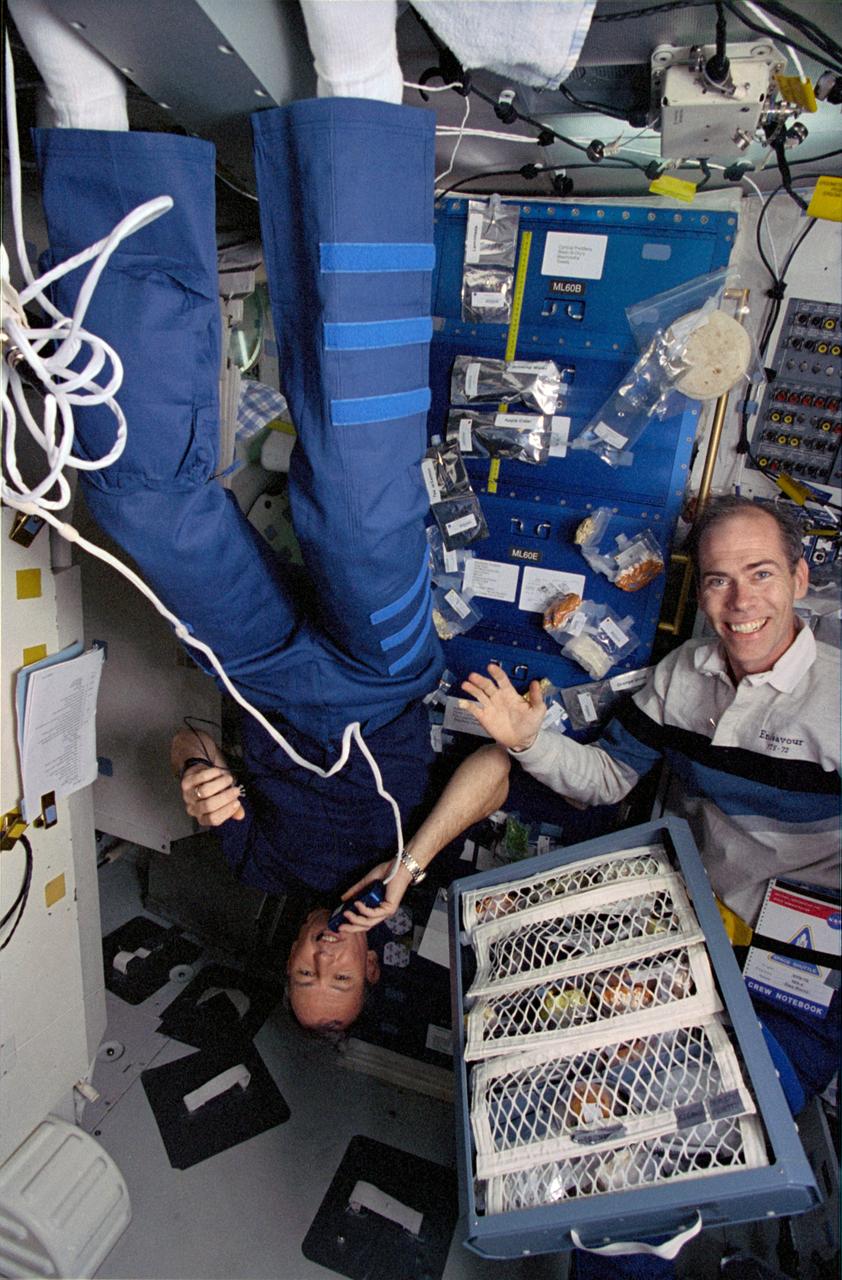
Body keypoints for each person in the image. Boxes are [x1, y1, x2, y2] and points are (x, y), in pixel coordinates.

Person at [16, 0, 515, 1035]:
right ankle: (359, 82)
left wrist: (198, 771)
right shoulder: (420, 889)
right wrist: (410, 861)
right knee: (357, 491)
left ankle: (92, 122)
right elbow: (493, 766)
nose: (318, 958)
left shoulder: (258, 865)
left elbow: (190, 735)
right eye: (334, 977)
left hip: (265, 678)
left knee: (134, 503)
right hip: (381, 677)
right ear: (369, 973)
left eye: (300, 973)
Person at [458, 494, 841, 1106]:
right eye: (719, 581)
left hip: (804, 951)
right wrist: (531, 741)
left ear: (799, 578)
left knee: (753, 1105)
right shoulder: (684, 675)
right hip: (696, 920)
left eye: (761, 574)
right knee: (609, 1087)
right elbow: (610, 775)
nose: (740, 603)